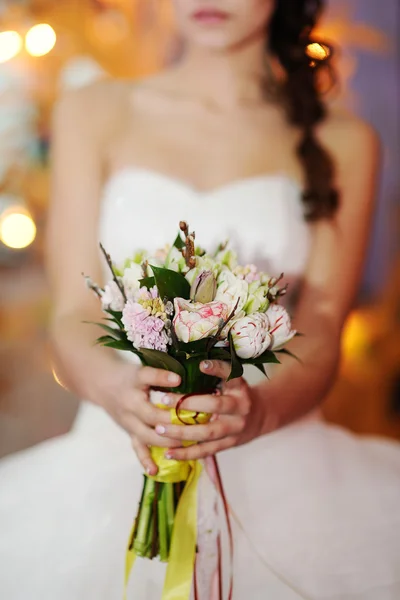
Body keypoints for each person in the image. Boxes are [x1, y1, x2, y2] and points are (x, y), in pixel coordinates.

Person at [1, 1, 400, 598]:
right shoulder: (95, 110)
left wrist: (258, 410)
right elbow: (72, 310)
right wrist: (116, 391)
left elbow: (320, 321)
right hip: (119, 443)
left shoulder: (344, 140)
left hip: (285, 462)